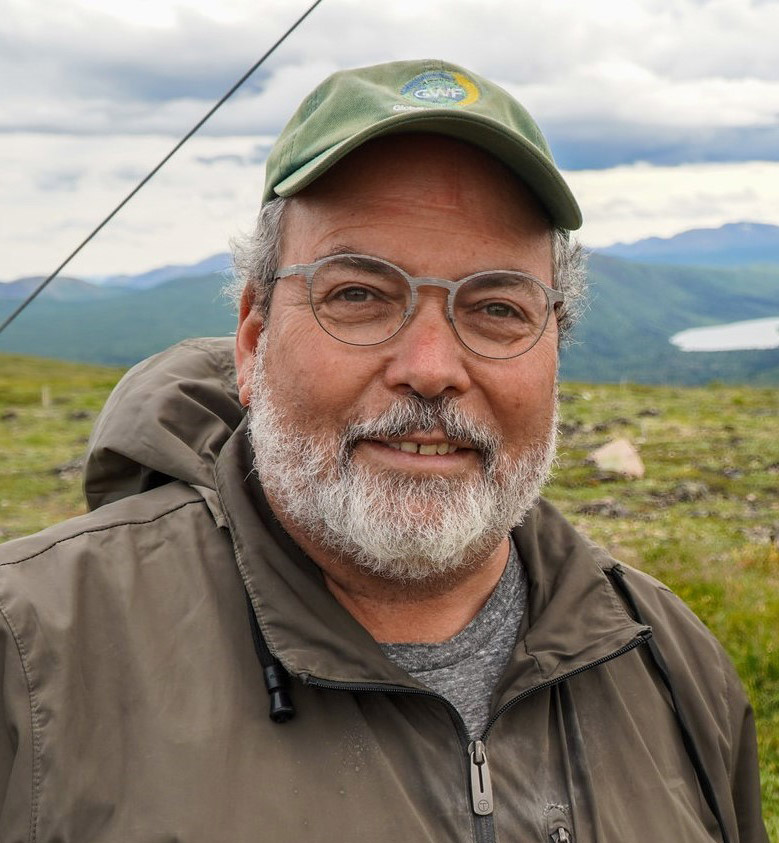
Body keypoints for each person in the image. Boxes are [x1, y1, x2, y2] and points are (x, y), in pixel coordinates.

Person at [0, 59, 768, 842]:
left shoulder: (669, 661)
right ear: (253, 339)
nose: (430, 368)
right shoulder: (30, 658)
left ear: (552, 352)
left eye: (497, 307)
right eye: (359, 296)